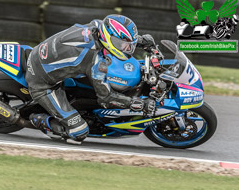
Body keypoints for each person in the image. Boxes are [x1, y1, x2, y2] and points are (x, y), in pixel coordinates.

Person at [25, 14, 157, 144]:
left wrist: (140, 41)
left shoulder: (97, 26)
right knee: (79, 131)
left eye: (129, 45)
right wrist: (137, 104)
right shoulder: (95, 62)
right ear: (109, 38)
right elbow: (106, 98)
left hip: (40, 54)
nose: (127, 49)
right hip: (43, 84)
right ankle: (37, 119)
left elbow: (117, 35)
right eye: (123, 45)